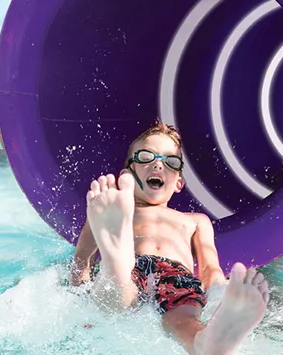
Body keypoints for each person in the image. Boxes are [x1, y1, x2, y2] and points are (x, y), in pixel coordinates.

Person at [70, 121, 270, 354]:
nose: (157, 165)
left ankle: (206, 342)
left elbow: (209, 267)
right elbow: (81, 263)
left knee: (181, 317)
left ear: (178, 183)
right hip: (133, 264)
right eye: (146, 157)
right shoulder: (113, 210)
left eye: (170, 162)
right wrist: (79, 289)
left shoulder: (195, 220)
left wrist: (220, 291)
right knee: (120, 291)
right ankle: (117, 266)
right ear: (127, 174)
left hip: (175, 274)